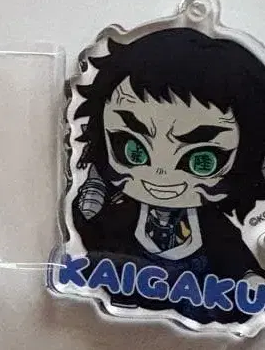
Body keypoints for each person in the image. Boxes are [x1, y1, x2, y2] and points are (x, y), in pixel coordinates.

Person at [68, 27, 265, 325]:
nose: (159, 174)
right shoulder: (114, 213)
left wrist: (249, 278)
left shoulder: (212, 226)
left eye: (201, 160)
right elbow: (89, 232)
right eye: (133, 148)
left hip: (201, 318)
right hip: (106, 314)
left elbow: (232, 256)